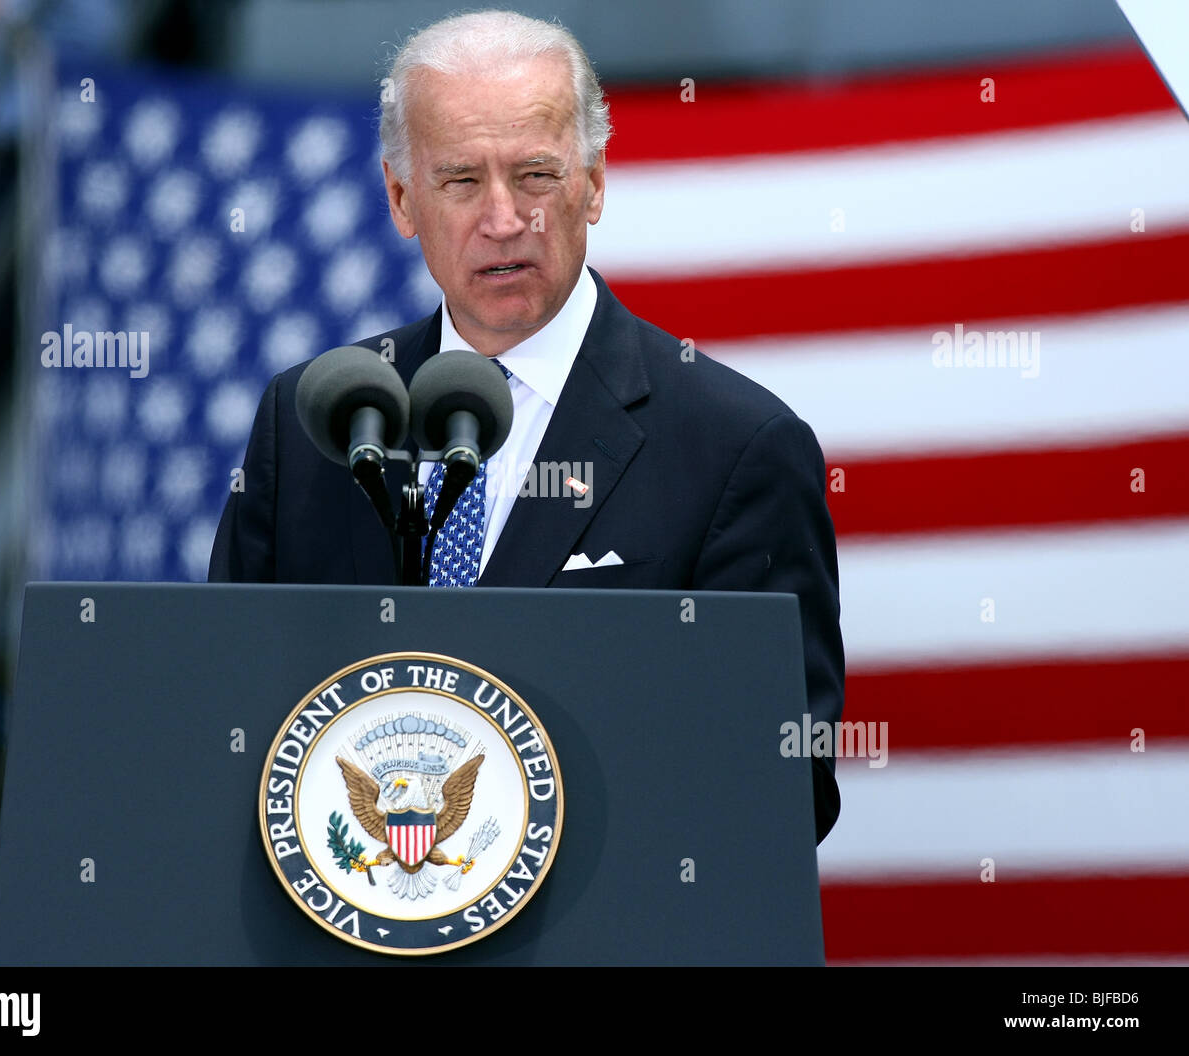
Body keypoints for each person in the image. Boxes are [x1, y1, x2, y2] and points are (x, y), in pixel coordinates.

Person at [209, 10, 845, 843]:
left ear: (595, 182)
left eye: (537, 176)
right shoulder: (313, 425)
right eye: (462, 181)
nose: (505, 218)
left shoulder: (736, 447)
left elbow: (784, 783)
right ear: (402, 199)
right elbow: (223, 717)